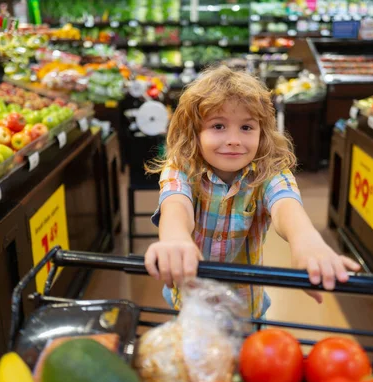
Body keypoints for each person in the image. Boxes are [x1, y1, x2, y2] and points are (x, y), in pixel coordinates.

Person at [144, 65, 360, 319]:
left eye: (246, 128)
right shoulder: (182, 166)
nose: (234, 139)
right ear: (194, 132)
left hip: (247, 307)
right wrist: (175, 238)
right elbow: (176, 203)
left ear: (262, 132)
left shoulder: (269, 172)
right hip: (191, 305)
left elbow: (286, 206)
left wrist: (306, 241)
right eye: (218, 126)